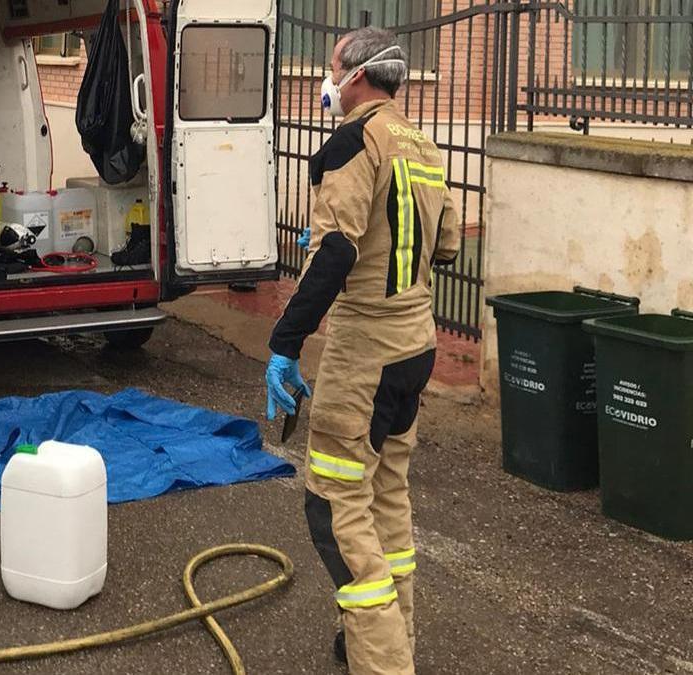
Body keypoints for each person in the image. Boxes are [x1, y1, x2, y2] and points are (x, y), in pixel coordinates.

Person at [264, 28, 460, 674]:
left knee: (333, 506)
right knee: (385, 497)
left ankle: (382, 662)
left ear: (356, 76)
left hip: (366, 354)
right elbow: (447, 244)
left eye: (330, 70)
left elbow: (339, 250)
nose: (328, 83)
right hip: (415, 344)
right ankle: (389, 638)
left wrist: (284, 342)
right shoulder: (423, 145)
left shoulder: (353, 142)